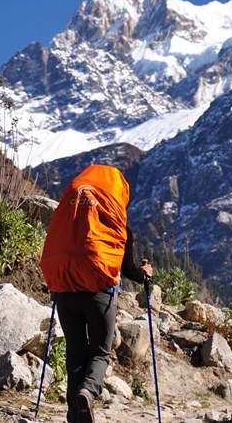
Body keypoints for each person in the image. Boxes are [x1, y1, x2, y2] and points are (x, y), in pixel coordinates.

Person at [40, 165, 152, 423]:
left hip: (65, 291)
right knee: (100, 352)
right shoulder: (117, 227)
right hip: (100, 294)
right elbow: (130, 270)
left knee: (75, 352)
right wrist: (145, 273)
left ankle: (74, 415)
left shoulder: (68, 221)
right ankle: (88, 392)